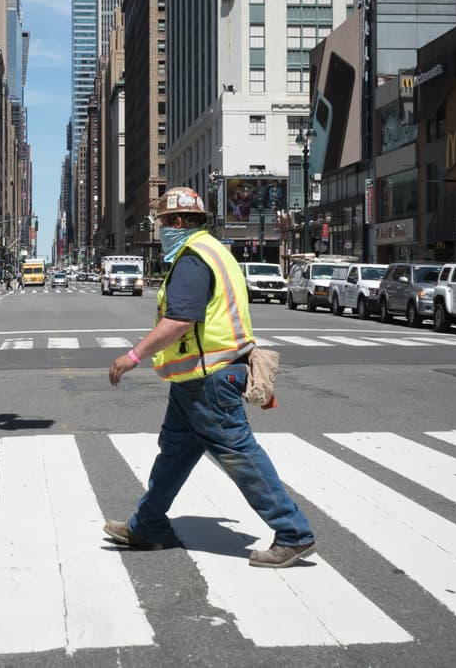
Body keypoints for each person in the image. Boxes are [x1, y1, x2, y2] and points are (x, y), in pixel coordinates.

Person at [104, 186, 316, 569]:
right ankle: (149, 525)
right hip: (198, 379)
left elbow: (181, 320)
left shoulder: (193, 258)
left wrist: (134, 355)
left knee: (239, 454)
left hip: (210, 379)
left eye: (164, 222)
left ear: (180, 222)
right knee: (174, 453)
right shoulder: (218, 252)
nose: (162, 228)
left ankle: (293, 532)